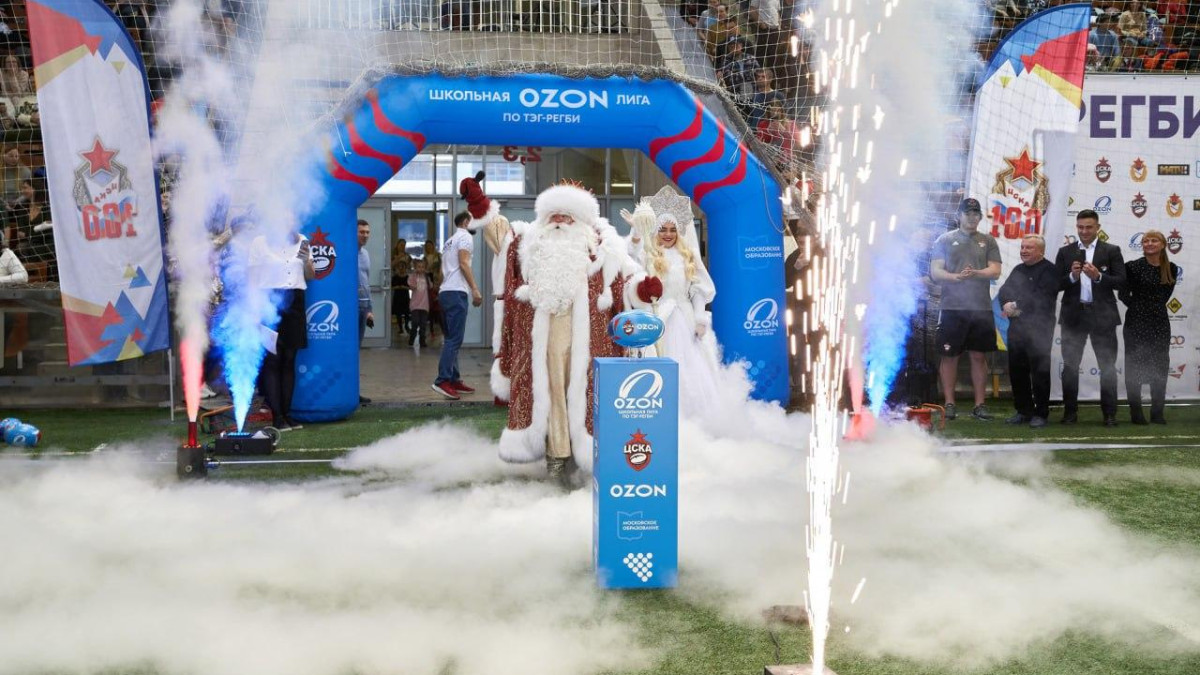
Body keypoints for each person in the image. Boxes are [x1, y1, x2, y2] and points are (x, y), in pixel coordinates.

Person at [467, 175, 662, 483]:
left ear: (580, 219)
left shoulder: (605, 245)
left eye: (566, 215)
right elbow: (500, 236)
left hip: (594, 339)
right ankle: (557, 454)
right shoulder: (529, 242)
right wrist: (480, 205)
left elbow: (628, 281)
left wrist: (643, 289)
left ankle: (591, 453)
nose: (559, 221)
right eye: (553, 215)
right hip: (543, 339)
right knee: (552, 394)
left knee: (589, 394)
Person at [623, 186, 721, 419]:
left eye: (673, 230)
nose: (668, 234)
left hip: (685, 319)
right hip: (657, 319)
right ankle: (660, 417)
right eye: (663, 229)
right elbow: (632, 255)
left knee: (691, 369)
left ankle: (693, 421)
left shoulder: (688, 256)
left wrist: (700, 317)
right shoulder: (649, 253)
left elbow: (698, 289)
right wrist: (637, 230)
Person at [929, 198, 1002, 421]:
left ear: (980, 217)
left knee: (979, 356)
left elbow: (995, 271)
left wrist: (975, 273)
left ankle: (980, 405)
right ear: (959, 216)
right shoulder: (944, 239)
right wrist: (956, 277)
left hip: (980, 308)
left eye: (975, 214)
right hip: (952, 308)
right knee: (949, 356)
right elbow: (935, 272)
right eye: (967, 213)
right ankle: (949, 403)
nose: (971, 217)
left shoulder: (988, 240)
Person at [1054, 209, 1126, 426]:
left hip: (1103, 317)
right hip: (1073, 316)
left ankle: (1110, 414)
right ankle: (1070, 413)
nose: (1084, 231)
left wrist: (1099, 276)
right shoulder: (1065, 252)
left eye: (1089, 227)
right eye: (1080, 227)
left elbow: (1121, 282)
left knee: (1107, 366)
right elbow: (1055, 284)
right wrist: (1072, 276)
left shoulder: (1111, 250)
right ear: (1076, 227)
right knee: (1070, 366)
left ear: (1098, 228)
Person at [249, 230, 315, 431]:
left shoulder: (302, 240)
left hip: (295, 300)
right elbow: (251, 279)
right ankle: (276, 416)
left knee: (289, 359)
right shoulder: (260, 241)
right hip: (269, 301)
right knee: (272, 360)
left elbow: (310, 276)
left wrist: (306, 261)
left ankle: (287, 414)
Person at [996, 234, 1060, 428]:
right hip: (1017, 328)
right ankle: (1023, 411)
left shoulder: (1050, 270)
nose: (1023, 250)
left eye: (1029, 248)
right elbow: (1004, 291)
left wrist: (1015, 305)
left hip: (1040, 329)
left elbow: (1041, 296)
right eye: (1023, 247)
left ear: (1040, 251)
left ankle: (1041, 413)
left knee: (1039, 372)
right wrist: (1006, 304)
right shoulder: (1018, 269)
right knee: (1017, 370)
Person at [1118, 230, 1178, 425]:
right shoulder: (1132, 266)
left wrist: (1152, 308)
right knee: (1134, 366)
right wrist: (1139, 307)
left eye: (1154, 240)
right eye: (1146, 241)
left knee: (1160, 366)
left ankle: (1157, 413)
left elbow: (1164, 296)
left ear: (1162, 245)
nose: (1149, 243)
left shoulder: (1171, 268)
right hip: (1136, 323)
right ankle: (1136, 413)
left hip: (1159, 323)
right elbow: (1123, 294)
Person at [431, 211, 483, 400]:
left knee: (451, 339)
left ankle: (454, 379)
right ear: (466, 222)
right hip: (456, 293)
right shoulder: (465, 237)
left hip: (446, 292)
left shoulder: (449, 241)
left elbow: (442, 271)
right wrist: (475, 289)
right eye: (474, 221)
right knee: (454, 340)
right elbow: (463, 263)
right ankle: (442, 380)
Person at [356, 219, 374, 405]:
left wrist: (369, 309)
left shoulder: (366, 254)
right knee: (348, 350)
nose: (365, 235)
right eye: (361, 232)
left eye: (367, 232)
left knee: (356, 351)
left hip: (362, 308)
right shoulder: (345, 252)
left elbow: (366, 282)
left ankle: (354, 391)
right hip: (347, 309)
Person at [407, 257, 432, 348]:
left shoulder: (426, 277)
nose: (421, 269)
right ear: (415, 267)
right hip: (415, 305)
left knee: (423, 324)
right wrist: (414, 275)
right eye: (419, 267)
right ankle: (412, 337)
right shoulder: (413, 276)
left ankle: (422, 341)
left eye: (422, 267)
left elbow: (431, 286)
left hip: (424, 305)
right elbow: (412, 286)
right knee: (415, 322)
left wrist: (428, 279)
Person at [391, 238, 412, 339]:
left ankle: (407, 325)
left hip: (405, 279)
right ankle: (400, 327)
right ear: (397, 245)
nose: (403, 246)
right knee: (398, 308)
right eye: (401, 245)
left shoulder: (407, 256)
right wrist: (398, 258)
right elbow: (390, 266)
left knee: (406, 308)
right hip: (396, 279)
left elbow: (410, 267)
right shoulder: (393, 255)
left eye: (404, 245)